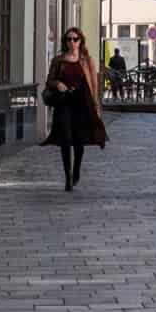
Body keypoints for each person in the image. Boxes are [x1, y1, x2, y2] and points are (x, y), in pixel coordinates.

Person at [42, 28, 107, 193]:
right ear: (65, 41)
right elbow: (49, 81)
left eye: (75, 39)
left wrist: (97, 107)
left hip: (82, 105)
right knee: (66, 138)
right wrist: (57, 84)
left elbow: (94, 85)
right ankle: (68, 177)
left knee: (78, 140)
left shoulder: (87, 61)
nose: (72, 42)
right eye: (68, 39)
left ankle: (77, 169)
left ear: (80, 41)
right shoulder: (58, 61)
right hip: (63, 104)